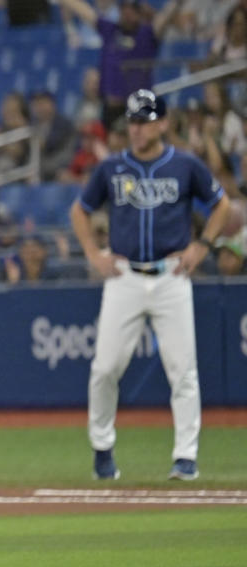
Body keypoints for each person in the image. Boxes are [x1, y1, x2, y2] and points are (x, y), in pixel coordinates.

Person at [69, 90, 229, 482]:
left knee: (183, 370)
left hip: (171, 275)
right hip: (124, 276)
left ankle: (186, 457)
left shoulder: (185, 165)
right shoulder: (112, 168)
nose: (136, 129)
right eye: (132, 122)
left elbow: (221, 205)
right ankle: (102, 448)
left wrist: (201, 246)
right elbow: (80, 210)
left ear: (163, 123)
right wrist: (93, 253)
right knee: (105, 368)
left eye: (144, 121)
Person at [56, 0, 181, 128]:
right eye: (124, 9)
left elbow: (166, 15)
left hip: (138, 108)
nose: (127, 13)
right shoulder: (110, 30)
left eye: (132, 9)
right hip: (110, 108)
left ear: (139, 12)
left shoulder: (147, 35)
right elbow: (85, 12)